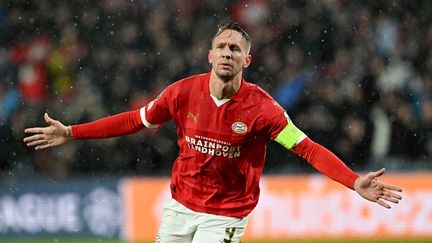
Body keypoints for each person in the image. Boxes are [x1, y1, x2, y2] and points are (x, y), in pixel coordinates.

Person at [23, 22, 403, 243]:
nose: (226, 52)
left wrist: (353, 181)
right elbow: (132, 121)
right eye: (220, 46)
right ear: (209, 55)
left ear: (246, 60)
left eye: (235, 48)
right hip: (179, 205)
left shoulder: (262, 111)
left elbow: (307, 149)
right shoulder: (180, 93)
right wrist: (72, 132)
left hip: (225, 215)